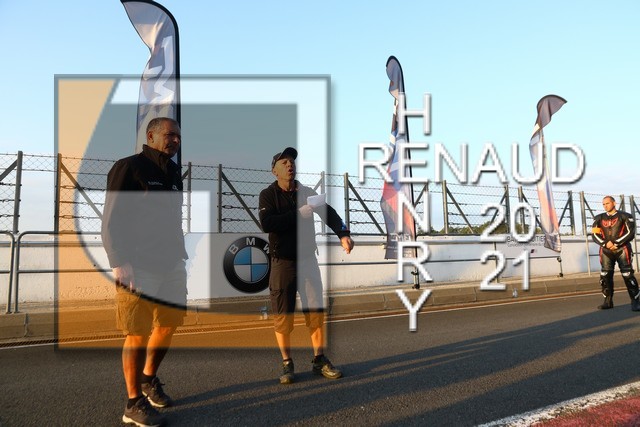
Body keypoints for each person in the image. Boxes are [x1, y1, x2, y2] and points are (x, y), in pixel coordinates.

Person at [102, 117, 188, 426]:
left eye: (178, 136)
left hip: (171, 262)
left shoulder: (174, 173)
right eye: (169, 134)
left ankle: (148, 379)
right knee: (137, 333)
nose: (175, 140)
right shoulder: (129, 167)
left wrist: (181, 254)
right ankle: (133, 402)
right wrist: (119, 260)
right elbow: (111, 218)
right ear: (151, 136)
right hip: (137, 265)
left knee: (168, 325)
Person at [259, 147, 355, 385]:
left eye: (291, 161)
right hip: (283, 263)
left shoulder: (307, 192)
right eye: (283, 162)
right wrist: (297, 214)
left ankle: (319, 359)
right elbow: (267, 223)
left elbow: (329, 213)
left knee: (316, 312)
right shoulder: (268, 195)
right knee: (283, 316)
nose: (289, 164)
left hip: (308, 261)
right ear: (274, 171)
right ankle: (287, 363)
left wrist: (343, 233)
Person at [592, 195, 640, 311]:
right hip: (605, 251)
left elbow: (630, 233)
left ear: (614, 203)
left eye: (607, 203)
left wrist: (616, 243)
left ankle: (635, 302)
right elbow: (594, 234)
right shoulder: (598, 218)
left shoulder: (626, 216)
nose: (605, 206)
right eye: (603, 204)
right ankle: (608, 301)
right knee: (605, 276)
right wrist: (605, 244)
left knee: (628, 275)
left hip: (623, 249)